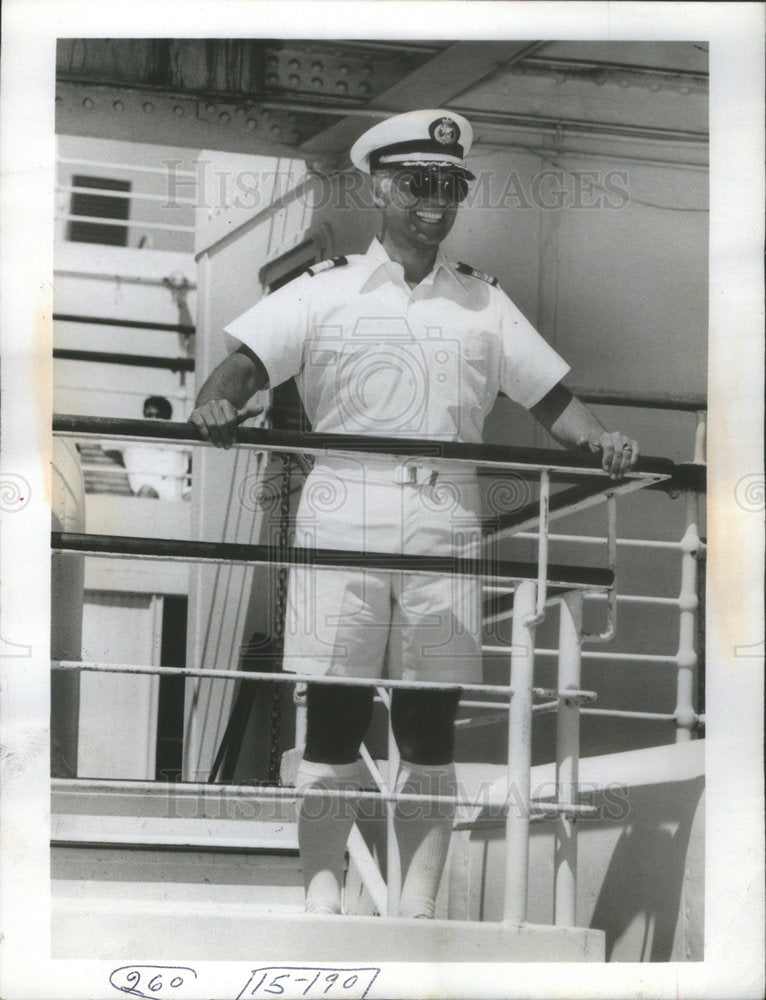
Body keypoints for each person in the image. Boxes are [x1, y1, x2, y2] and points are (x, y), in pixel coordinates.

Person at [189, 109, 639, 919]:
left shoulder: (482, 303)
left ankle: (419, 905)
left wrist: (602, 440)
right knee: (333, 717)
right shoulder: (319, 293)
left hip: (445, 520)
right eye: (416, 183)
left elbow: (554, 402)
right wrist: (217, 405)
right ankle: (322, 901)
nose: (434, 200)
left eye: (448, 185)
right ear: (378, 187)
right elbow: (239, 370)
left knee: (431, 727)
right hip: (341, 508)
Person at [122, 396, 191, 500]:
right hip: (148, 492)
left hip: (178, 494)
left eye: (158, 416)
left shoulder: (180, 443)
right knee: (147, 492)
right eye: (149, 415)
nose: (153, 420)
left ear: (167, 419)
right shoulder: (134, 442)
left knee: (195, 496)